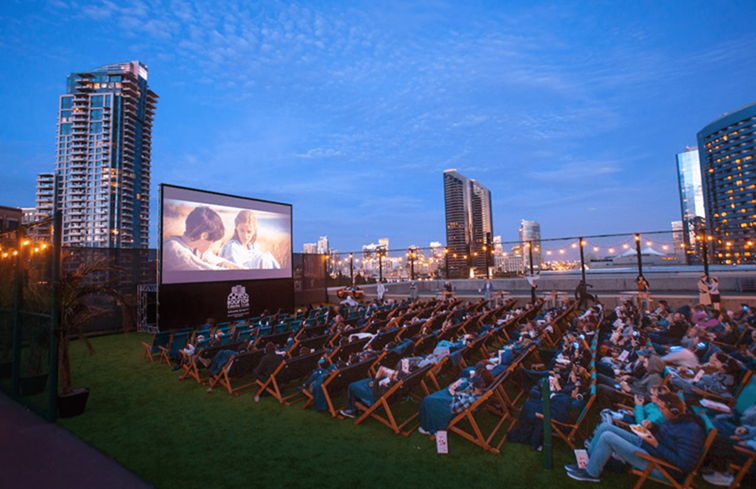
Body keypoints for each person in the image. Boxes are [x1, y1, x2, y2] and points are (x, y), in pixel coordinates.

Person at [566, 390, 706, 483]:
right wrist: (653, 427)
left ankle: (592, 473)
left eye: (662, 408)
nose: (660, 411)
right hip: (649, 447)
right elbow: (668, 437)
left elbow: (685, 465)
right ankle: (589, 461)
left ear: (674, 410)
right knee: (605, 427)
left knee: (607, 437)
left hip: (659, 464)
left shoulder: (691, 432)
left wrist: (656, 444)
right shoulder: (675, 419)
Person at [163, 206, 241, 271]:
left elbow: (220, 262)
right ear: (204, 236)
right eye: (212, 241)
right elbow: (207, 270)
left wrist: (243, 269)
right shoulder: (174, 249)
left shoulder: (196, 250)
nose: (211, 246)